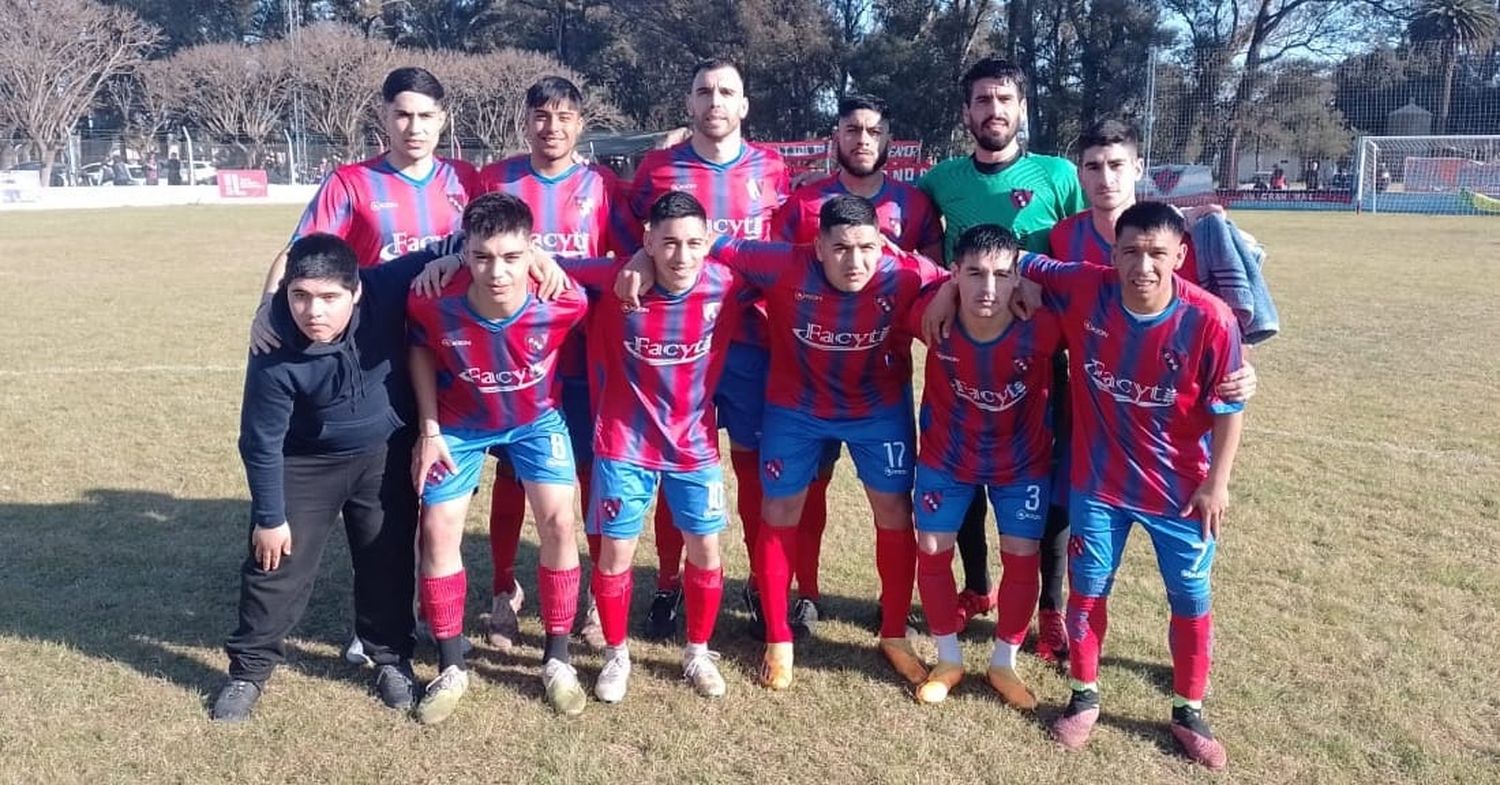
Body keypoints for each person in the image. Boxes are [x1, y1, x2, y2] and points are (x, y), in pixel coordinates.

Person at [621, 195, 946, 690]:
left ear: (882, 244)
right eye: (840, 248)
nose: (854, 261)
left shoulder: (904, 270)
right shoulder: (779, 263)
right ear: (817, 246)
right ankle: (778, 638)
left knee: (895, 514)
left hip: (877, 410)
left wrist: (943, 291)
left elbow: (959, 279)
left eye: (865, 248)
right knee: (780, 511)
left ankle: (894, 634)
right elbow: (703, 243)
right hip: (797, 409)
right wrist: (642, 257)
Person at [246, 66, 480, 665]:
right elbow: (302, 255)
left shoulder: (466, 181)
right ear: (383, 116)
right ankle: (378, 624)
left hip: (451, 352)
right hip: (377, 360)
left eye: (426, 116)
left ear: (444, 119)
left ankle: (428, 606)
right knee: (392, 491)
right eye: (402, 114)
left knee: (437, 488)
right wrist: (268, 308)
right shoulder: (350, 183)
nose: (414, 127)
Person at [1021, 202, 1246, 771]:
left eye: (1156, 254)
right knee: (1089, 591)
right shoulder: (1083, 285)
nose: (1142, 266)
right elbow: (1012, 258)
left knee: (1190, 598)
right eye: (1130, 252)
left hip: (1181, 492)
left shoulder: (1211, 319)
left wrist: (1216, 485)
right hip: (1098, 484)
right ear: (1112, 254)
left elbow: (1229, 406)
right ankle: (1084, 696)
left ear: (1180, 257)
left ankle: (1188, 710)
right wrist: (960, 288)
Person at [212, 234, 446, 722]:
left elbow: (466, 240)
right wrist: (270, 517)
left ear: (356, 291)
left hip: (383, 453)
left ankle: (390, 659)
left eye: (328, 298)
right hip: (305, 463)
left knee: (387, 556)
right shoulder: (273, 340)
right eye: (300, 296)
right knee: (275, 563)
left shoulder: (385, 285)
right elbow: (260, 441)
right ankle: (248, 672)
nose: (313, 311)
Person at [918, 56, 1084, 645]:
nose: (994, 111)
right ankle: (977, 586)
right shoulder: (941, 180)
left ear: (1022, 108)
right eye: (983, 101)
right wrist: (942, 286)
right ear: (967, 112)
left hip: (1043, 354)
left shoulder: (1059, 175)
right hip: (964, 350)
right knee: (959, 462)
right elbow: (906, 241)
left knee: (1046, 474)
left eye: (1004, 100)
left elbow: (1087, 245)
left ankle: (1052, 606)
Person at [625, 58, 791, 640]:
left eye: (727, 92)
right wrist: (643, 258)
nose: (715, 101)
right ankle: (668, 584)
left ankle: (757, 584)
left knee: (751, 472)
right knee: (677, 467)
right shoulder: (658, 168)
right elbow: (634, 241)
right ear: (689, 104)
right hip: (680, 348)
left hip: (750, 344)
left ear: (744, 105)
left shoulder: (771, 168)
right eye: (704, 91)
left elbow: (787, 252)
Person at [405, 193, 586, 723]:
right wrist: (429, 427)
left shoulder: (563, 300)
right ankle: (451, 664)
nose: (497, 271)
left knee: (558, 521)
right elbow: (418, 346)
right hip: (456, 425)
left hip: (536, 421)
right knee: (437, 528)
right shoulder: (432, 298)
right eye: (482, 257)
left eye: (510, 257)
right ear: (463, 252)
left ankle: (557, 659)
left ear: (532, 250)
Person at [768, 93, 944, 637]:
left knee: (892, 504)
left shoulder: (913, 204)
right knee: (807, 492)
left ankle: (894, 616)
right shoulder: (804, 204)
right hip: (803, 386)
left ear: (887, 138)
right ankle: (808, 595)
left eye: (872, 130)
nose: (862, 139)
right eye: (851, 129)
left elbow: (935, 274)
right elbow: (770, 272)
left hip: (879, 386)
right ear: (835, 138)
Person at [475, 76, 625, 652]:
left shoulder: (602, 186)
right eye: (541, 115)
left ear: (580, 123)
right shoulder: (497, 181)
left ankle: (587, 593)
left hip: (583, 353)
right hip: (511, 354)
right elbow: (470, 253)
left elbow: (623, 265)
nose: (552, 126)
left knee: (587, 470)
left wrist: (555, 266)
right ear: (526, 120)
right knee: (512, 472)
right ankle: (503, 590)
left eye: (564, 116)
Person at [582, 191, 748, 703]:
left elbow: (798, 262)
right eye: (669, 243)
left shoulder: (728, 284)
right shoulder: (613, 282)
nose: (681, 256)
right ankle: (616, 655)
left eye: (694, 243)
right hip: (624, 443)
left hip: (695, 444)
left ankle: (697, 651)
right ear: (647, 241)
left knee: (706, 549)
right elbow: (538, 261)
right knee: (616, 555)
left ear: (708, 244)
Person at [902, 224, 1062, 709]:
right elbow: (893, 264)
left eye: (1000, 275)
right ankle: (948, 659)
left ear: (1017, 277)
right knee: (931, 547)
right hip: (947, 458)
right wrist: (940, 293)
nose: (987, 289)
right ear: (954, 275)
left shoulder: (1046, 326)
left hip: (1022, 463)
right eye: (973, 274)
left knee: (1021, 555)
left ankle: (1003, 662)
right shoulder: (931, 318)